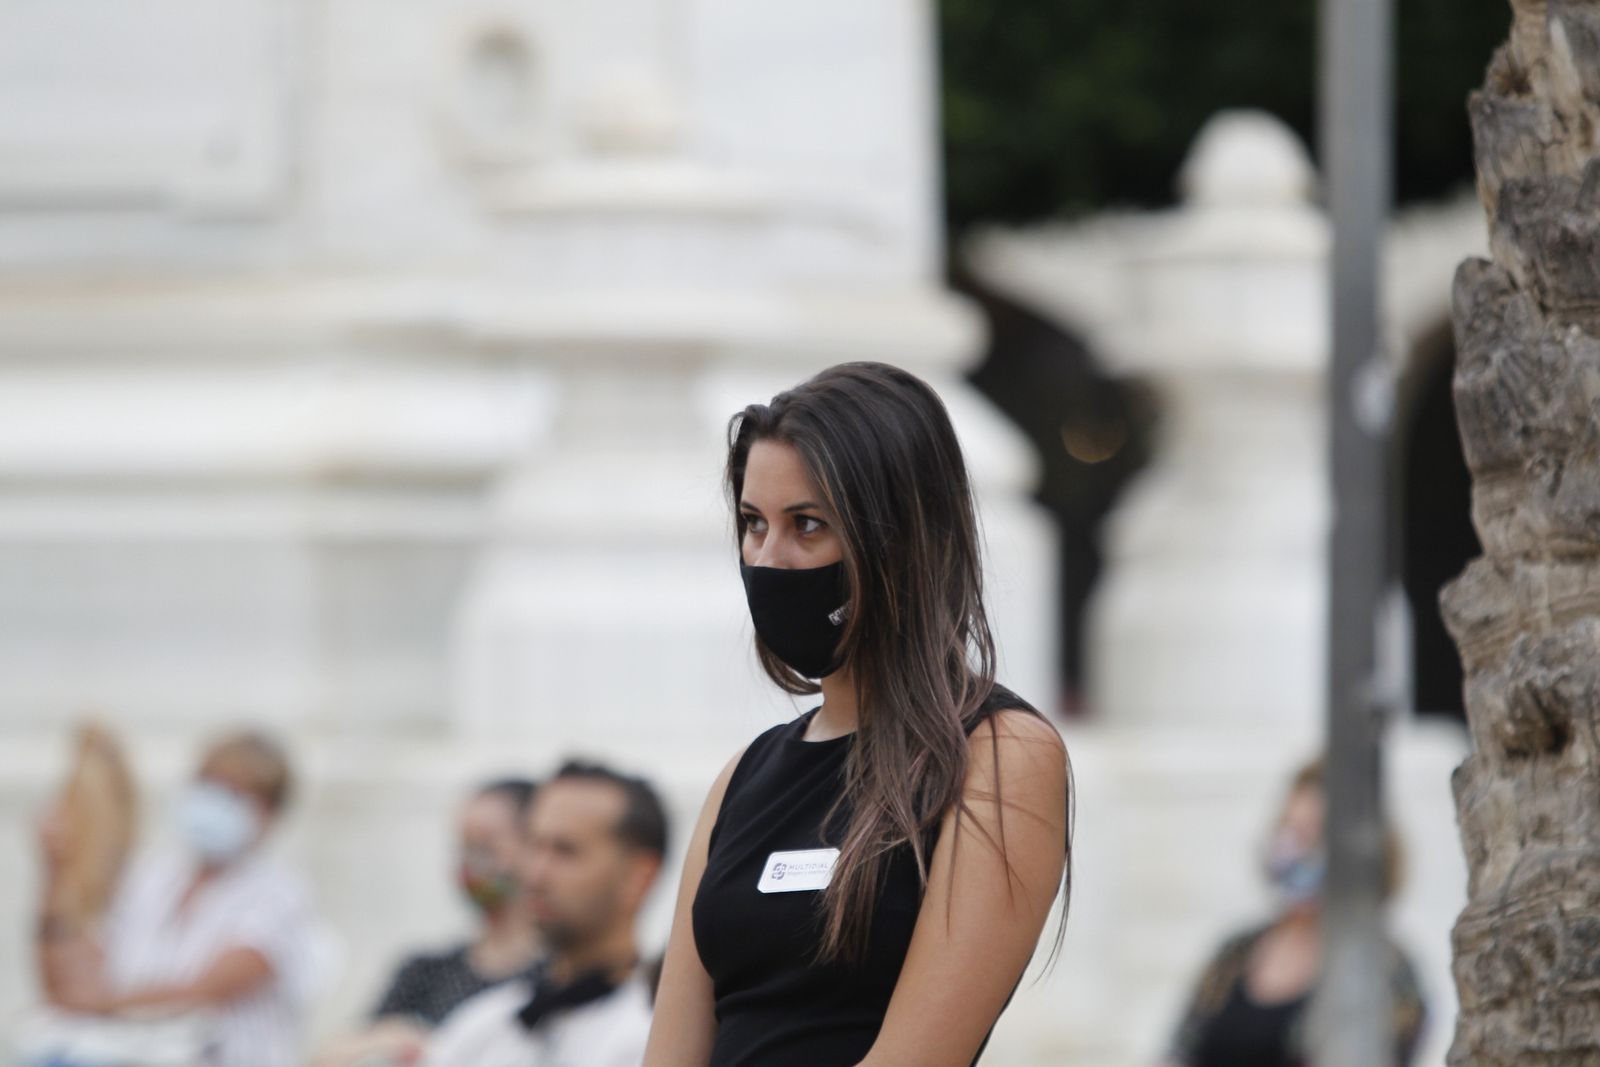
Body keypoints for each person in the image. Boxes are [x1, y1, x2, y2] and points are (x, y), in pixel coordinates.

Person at [644, 361, 1073, 1067]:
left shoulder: (998, 754)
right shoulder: (743, 778)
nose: (769, 558)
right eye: (754, 524)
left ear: (899, 540)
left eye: (807, 525)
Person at [31, 729, 318, 1067]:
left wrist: (92, 1006)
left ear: (269, 813)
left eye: (234, 794)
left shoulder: (279, 897)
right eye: (209, 786)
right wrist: (57, 874)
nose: (214, 801)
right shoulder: (151, 878)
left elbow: (200, 993)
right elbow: (70, 983)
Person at [1160, 758, 1427, 1067]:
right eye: (1290, 830)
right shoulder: (1235, 954)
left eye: (1313, 836)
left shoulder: (1384, 969)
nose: (1295, 849)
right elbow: (1178, 1050)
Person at [420, 760, 667, 1067]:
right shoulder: (483, 1024)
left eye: (565, 851)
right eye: (534, 846)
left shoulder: (659, 1036)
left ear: (638, 877)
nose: (534, 874)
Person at [313, 779, 542, 1067]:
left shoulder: (555, 978)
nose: (472, 860)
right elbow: (331, 1057)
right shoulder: (426, 972)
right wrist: (389, 1039)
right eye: (464, 845)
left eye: (486, 844)